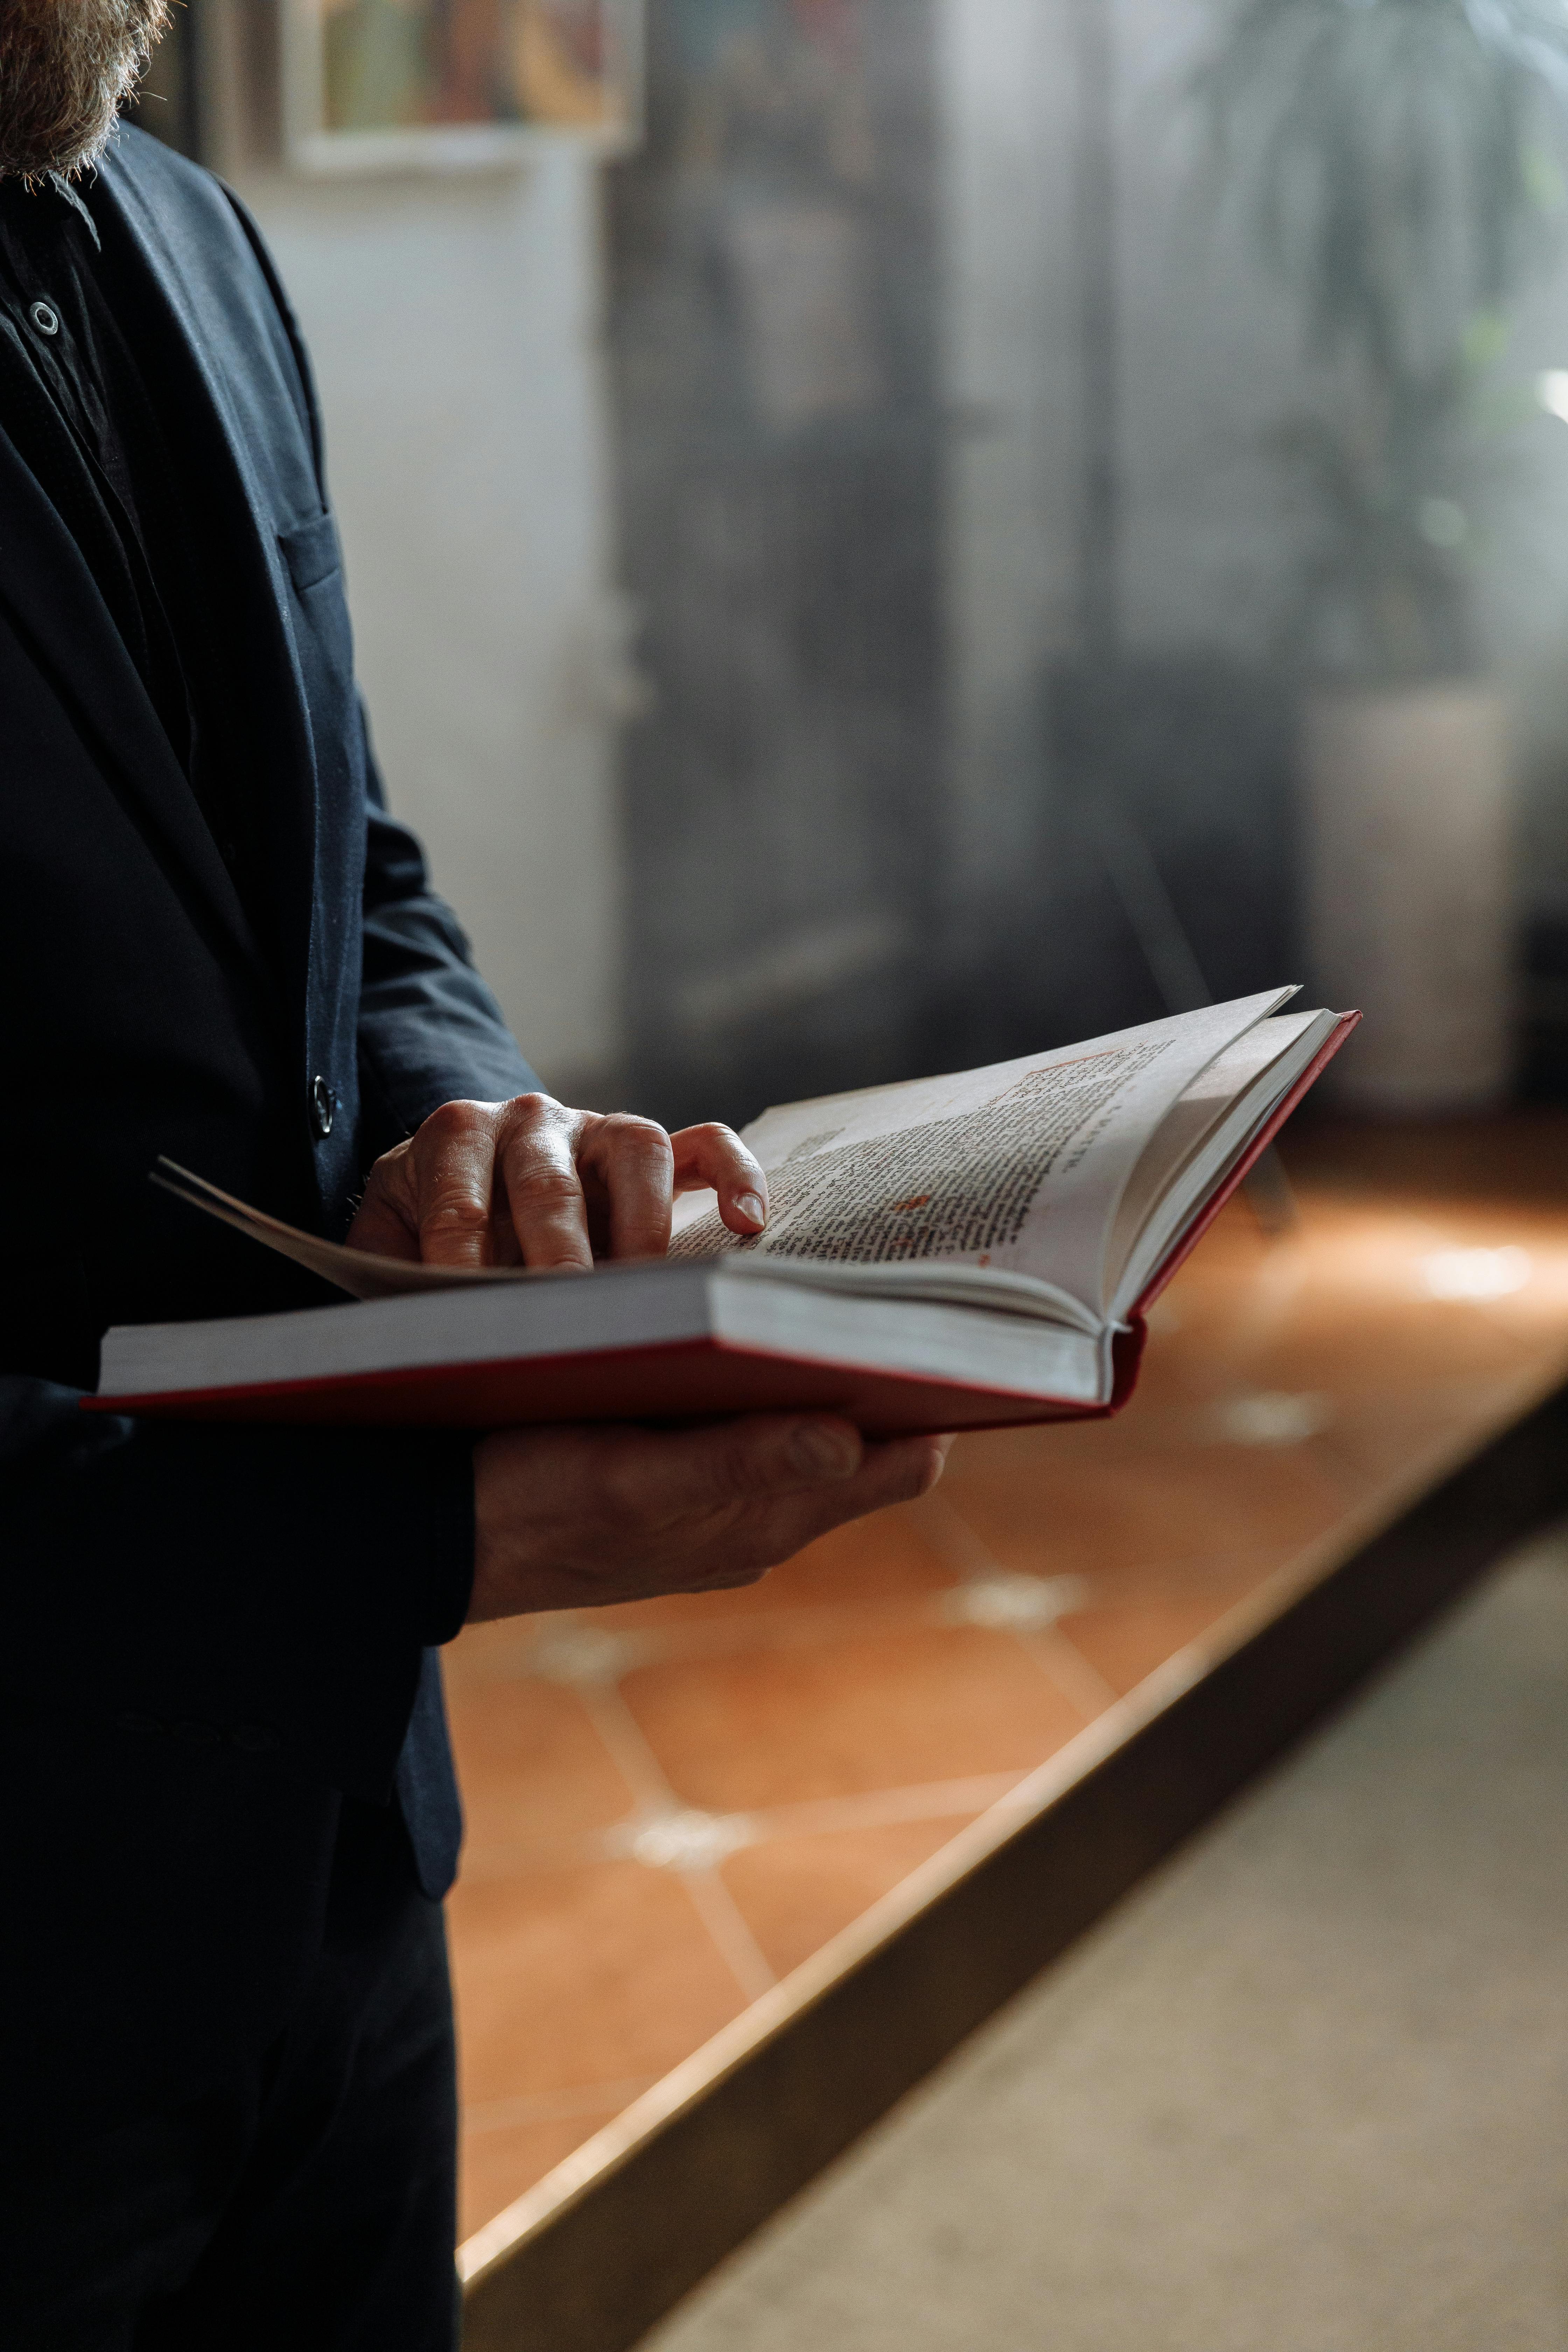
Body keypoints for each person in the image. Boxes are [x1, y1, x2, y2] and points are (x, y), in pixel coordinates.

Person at [0, 5, 947, 2344]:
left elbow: (354, 871)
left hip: (328, 1873)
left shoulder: (183, 222)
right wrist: (461, 1529)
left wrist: (469, 1131)